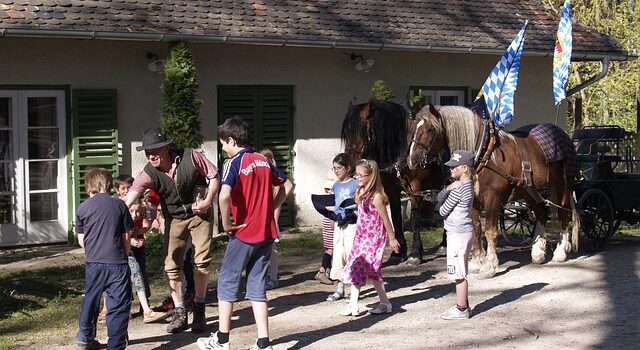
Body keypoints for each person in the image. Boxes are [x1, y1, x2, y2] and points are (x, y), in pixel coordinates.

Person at [196, 116, 294, 350]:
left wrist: (226, 224)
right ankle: (263, 343)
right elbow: (288, 185)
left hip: (244, 233)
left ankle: (221, 340)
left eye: (222, 144)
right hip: (266, 233)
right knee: (257, 286)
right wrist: (271, 210)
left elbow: (224, 194)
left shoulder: (235, 162)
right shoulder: (262, 159)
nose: (222, 148)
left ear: (231, 140)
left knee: (227, 283)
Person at [125, 127, 220, 334]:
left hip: (200, 214)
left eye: (155, 150)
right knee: (171, 265)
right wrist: (115, 209)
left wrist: (208, 200)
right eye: (147, 152)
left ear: (167, 147)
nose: (150, 155)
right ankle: (180, 311)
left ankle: (200, 308)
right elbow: (133, 193)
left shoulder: (192, 156)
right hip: (175, 218)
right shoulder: (149, 172)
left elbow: (214, 175)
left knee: (201, 261)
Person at [75, 168, 133, 350]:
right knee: (118, 305)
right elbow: (126, 237)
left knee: (91, 299)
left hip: (94, 262)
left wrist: (93, 252)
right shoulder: (119, 205)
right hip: (117, 262)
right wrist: (125, 253)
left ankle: (85, 336)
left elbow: (81, 240)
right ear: (109, 185)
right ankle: (115, 344)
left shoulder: (83, 208)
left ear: (89, 186)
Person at [339, 159, 399, 317]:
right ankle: (385, 303)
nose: (357, 178)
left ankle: (353, 304)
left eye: (361, 175)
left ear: (371, 176)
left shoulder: (377, 196)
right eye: (356, 174)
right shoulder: (361, 192)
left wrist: (392, 239)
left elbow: (386, 220)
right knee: (372, 271)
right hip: (361, 236)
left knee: (357, 266)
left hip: (373, 238)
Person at [436, 150, 475, 320]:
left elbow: (441, 209)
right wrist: (448, 189)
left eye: (454, 167)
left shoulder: (458, 189)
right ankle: (463, 303)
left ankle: (461, 309)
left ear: (464, 168)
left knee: (458, 273)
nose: (451, 170)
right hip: (464, 231)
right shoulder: (469, 184)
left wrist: (447, 190)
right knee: (461, 268)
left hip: (457, 233)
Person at [326, 153, 358, 302]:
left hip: (351, 223)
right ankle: (340, 288)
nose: (337, 171)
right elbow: (335, 204)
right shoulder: (335, 186)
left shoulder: (354, 184)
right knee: (338, 255)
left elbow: (359, 202)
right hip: (339, 224)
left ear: (348, 168)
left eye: (339, 168)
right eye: (334, 169)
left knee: (350, 254)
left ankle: (353, 288)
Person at [259, 148, 283, 290]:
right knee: (264, 249)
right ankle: (266, 276)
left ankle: (273, 277)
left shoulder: (274, 180)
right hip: (263, 219)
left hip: (271, 220)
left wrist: (274, 220)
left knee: (271, 249)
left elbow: (277, 204)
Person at [315, 170, 337, 285]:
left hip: (329, 220)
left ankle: (328, 271)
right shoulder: (332, 197)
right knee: (331, 248)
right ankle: (322, 271)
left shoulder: (330, 194)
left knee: (331, 248)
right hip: (330, 221)